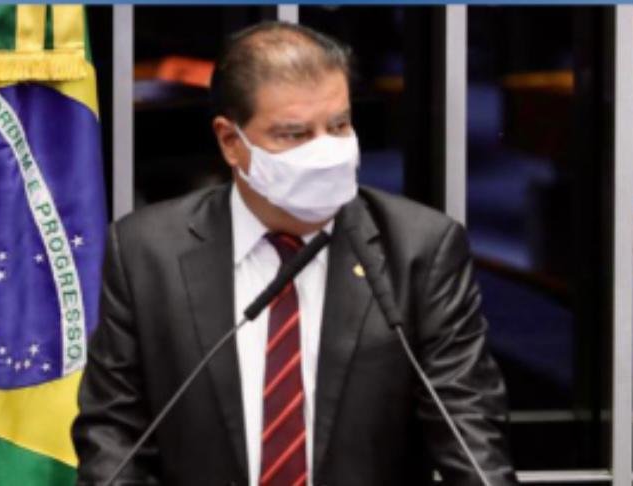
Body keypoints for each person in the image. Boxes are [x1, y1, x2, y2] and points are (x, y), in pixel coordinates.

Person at [73, 21, 517, 486]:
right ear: (231, 142)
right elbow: (113, 433)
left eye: (338, 126)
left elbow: (471, 435)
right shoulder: (147, 252)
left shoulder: (418, 249)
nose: (326, 152)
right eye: (295, 134)